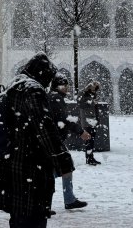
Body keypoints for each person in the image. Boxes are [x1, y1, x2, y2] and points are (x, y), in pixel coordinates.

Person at [0, 53, 74, 228]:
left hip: (11, 162)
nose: (48, 84)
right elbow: (44, 128)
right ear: (43, 73)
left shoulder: (14, 85)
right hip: (30, 165)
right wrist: (62, 158)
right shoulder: (33, 90)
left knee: (18, 217)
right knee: (34, 217)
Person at [48, 73, 89, 210]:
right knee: (63, 168)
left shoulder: (53, 97)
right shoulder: (56, 99)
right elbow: (63, 119)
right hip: (55, 141)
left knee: (61, 168)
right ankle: (63, 200)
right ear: (56, 86)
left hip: (53, 140)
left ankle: (61, 200)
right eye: (63, 85)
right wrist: (80, 131)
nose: (66, 88)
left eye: (66, 85)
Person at [77, 81, 101, 165]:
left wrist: (97, 119)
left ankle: (91, 157)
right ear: (89, 87)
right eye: (93, 88)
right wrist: (92, 102)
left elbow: (95, 108)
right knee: (88, 140)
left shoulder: (93, 95)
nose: (94, 90)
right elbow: (81, 104)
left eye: (96, 89)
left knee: (92, 140)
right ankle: (89, 159)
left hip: (93, 120)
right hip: (87, 120)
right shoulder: (83, 94)